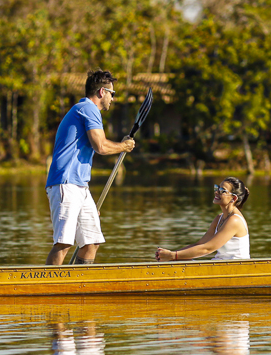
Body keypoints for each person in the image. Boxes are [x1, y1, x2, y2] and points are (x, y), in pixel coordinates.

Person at [45, 70, 136, 266]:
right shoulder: (87, 108)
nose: (113, 98)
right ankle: (46, 288)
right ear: (102, 92)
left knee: (92, 241)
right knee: (64, 243)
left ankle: (78, 284)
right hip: (65, 182)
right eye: (113, 93)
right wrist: (124, 146)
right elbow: (100, 146)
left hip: (80, 186)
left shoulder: (86, 109)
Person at [155, 176, 250, 261]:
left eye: (222, 190)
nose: (216, 192)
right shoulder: (219, 218)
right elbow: (200, 244)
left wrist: (173, 255)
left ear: (233, 199)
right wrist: (171, 255)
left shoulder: (235, 220)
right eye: (217, 188)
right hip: (220, 266)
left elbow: (207, 249)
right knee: (182, 259)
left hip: (235, 269)